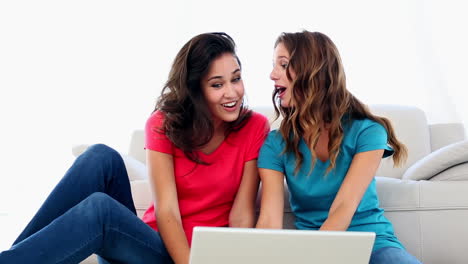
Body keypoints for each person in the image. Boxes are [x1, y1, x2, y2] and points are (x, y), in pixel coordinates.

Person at [0, 32, 269, 264]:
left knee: (100, 210)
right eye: (217, 85)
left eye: (236, 79)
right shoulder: (164, 124)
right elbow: (167, 211)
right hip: (155, 247)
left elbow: (242, 214)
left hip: (192, 257)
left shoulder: (254, 126)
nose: (232, 93)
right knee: (100, 156)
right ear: (195, 90)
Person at [255, 30, 421, 264]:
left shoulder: (367, 131)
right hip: (311, 249)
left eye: (283, 65)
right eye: (274, 65)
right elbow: (269, 221)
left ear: (312, 71)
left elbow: (344, 207)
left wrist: (316, 258)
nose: (272, 75)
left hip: (374, 246)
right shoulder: (275, 144)